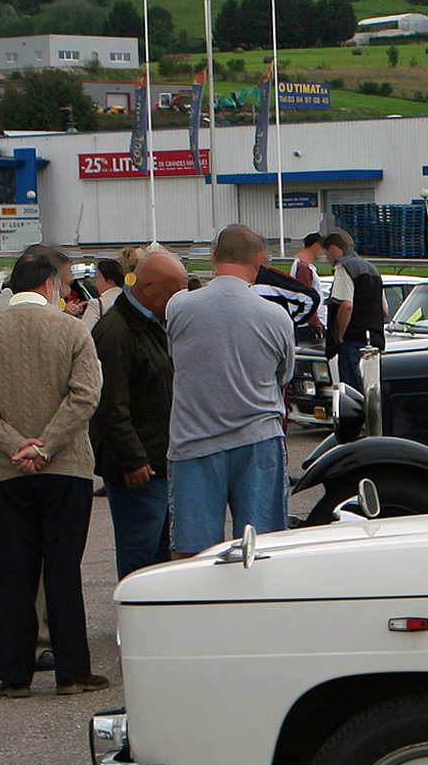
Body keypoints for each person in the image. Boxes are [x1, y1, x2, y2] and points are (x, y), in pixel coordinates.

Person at [0, 249, 108, 696]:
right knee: (62, 568)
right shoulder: (71, 330)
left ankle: (14, 675)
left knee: (14, 567)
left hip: (7, 468)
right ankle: (72, 670)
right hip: (66, 465)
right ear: (50, 285)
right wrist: (47, 444)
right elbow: (85, 396)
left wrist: (15, 444)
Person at [166, 224, 296, 556]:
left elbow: (176, 358)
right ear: (259, 258)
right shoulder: (275, 315)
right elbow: (284, 375)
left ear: (213, 257)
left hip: (194, 441)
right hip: (258, 438)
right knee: (263, 548)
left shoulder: (179, 307)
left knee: (192, 553)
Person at [91, 248, 187, 578]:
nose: (178, 300)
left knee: (162, 557)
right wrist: (132, 460)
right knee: (140, 556)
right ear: (147, 289)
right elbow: (109, 404)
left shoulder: (154, 324)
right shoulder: (116, 332)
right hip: (138, 470)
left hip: (161, 461)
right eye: (173, 292)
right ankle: (137, 624)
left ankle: (158, 624)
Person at [322, 227, 385, 390]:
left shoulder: (344, 268)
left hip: (353, 340)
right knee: (372, 390)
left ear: (335, 249)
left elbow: (346, 305)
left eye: (327, 253)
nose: (327, 258)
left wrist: (340, 336)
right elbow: (384, 310)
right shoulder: (373, 269)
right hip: (375, 340)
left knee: (352, 391)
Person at [290, 233, 326, 349]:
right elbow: (307, 298)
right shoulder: (304, 267)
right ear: (315, 246)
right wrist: (317, 324)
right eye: (323, 248)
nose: (324, 252)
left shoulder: (301, 265)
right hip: (308, 327)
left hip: (306, 324)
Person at [77, 256, 126, 329]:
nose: (96, 283)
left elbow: (84, 333)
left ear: (109, 280)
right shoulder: (130, 301)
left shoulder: (97, 304)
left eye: (98, 278)